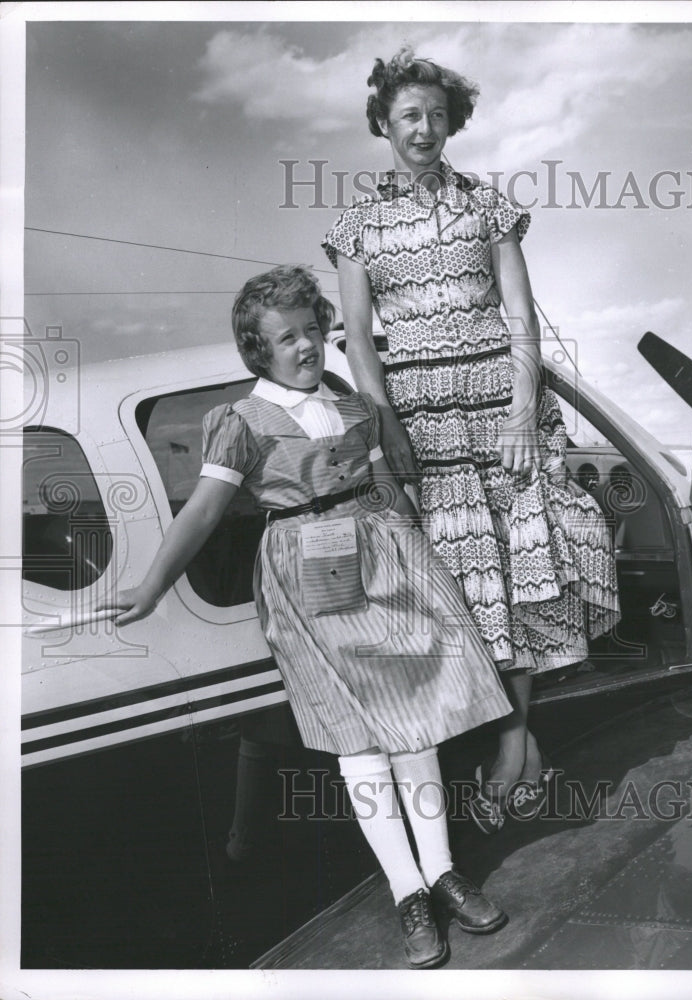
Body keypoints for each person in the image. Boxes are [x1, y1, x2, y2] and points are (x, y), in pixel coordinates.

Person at [99, 265, 512, 970]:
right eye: (286, 338)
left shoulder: (353, 405)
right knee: (359, 737)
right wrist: (152, 584)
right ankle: (406, 889)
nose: (306, 347)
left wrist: (422, 565)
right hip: (305, 569)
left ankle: (442, 871)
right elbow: (201, 511)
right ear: (259, 351)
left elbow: (384, 486)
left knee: (417, 722)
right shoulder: (239, 422)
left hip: (384, 558)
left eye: (313, 331)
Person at [323, 47, 620, 834]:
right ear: (383, 124)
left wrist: (524, 413)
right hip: (426, 430)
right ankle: (518, 747)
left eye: (437, 116)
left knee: (526, 582)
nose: (424, 129)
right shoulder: (356, 226)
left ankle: (515, 744)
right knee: (468, 596)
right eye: (409, 115)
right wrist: (388, 435)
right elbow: (357, 341)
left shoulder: (488, 206)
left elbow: (521, 315)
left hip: (504, 417)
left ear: (453, 124)